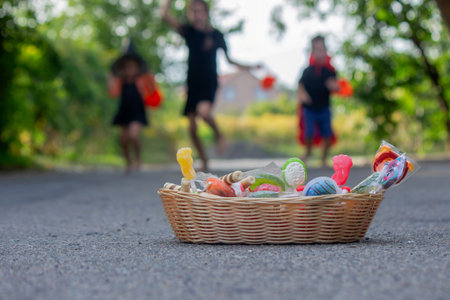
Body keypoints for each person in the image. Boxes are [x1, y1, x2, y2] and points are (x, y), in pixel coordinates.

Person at [161, 0, 260, 171]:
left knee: (204, 112)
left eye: (200, 11)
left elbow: (229, 60)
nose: (197, 15)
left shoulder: (216, 35)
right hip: (192, 82)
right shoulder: (189, 31)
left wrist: (250, 67)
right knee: (192, 127)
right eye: (193, 11)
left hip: (209, 82)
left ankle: (219, 135)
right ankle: (204, 160)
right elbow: (164, 15)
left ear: (206, 13)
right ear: (190, 14)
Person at [108, 42, 156, 173]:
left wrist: (150, 77)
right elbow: (113, 93)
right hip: (124, 111)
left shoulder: (141, 80)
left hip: (137, 111)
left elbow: (151, 91)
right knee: (123, 139)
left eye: (133, 67)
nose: (130, 70)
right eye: (127, 67)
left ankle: (138, 159)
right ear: (123, 68)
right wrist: (110, 78)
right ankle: (128, 161)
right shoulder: (120, 81)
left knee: (133, 135)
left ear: (138, 68)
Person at [298, 35, 340, 167]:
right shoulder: (307, 71)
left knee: (327, 132)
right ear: (312, 52)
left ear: (326, 51)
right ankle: (308, 152)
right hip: (309, 107)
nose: (319, 52)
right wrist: (303, 94)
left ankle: (323, 158)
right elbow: (300, 85)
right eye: (316, 50)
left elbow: (336, 86)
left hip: (324, 107)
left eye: (322, 49)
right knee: (308, 132)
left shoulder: (330, 71)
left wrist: (334, 86)